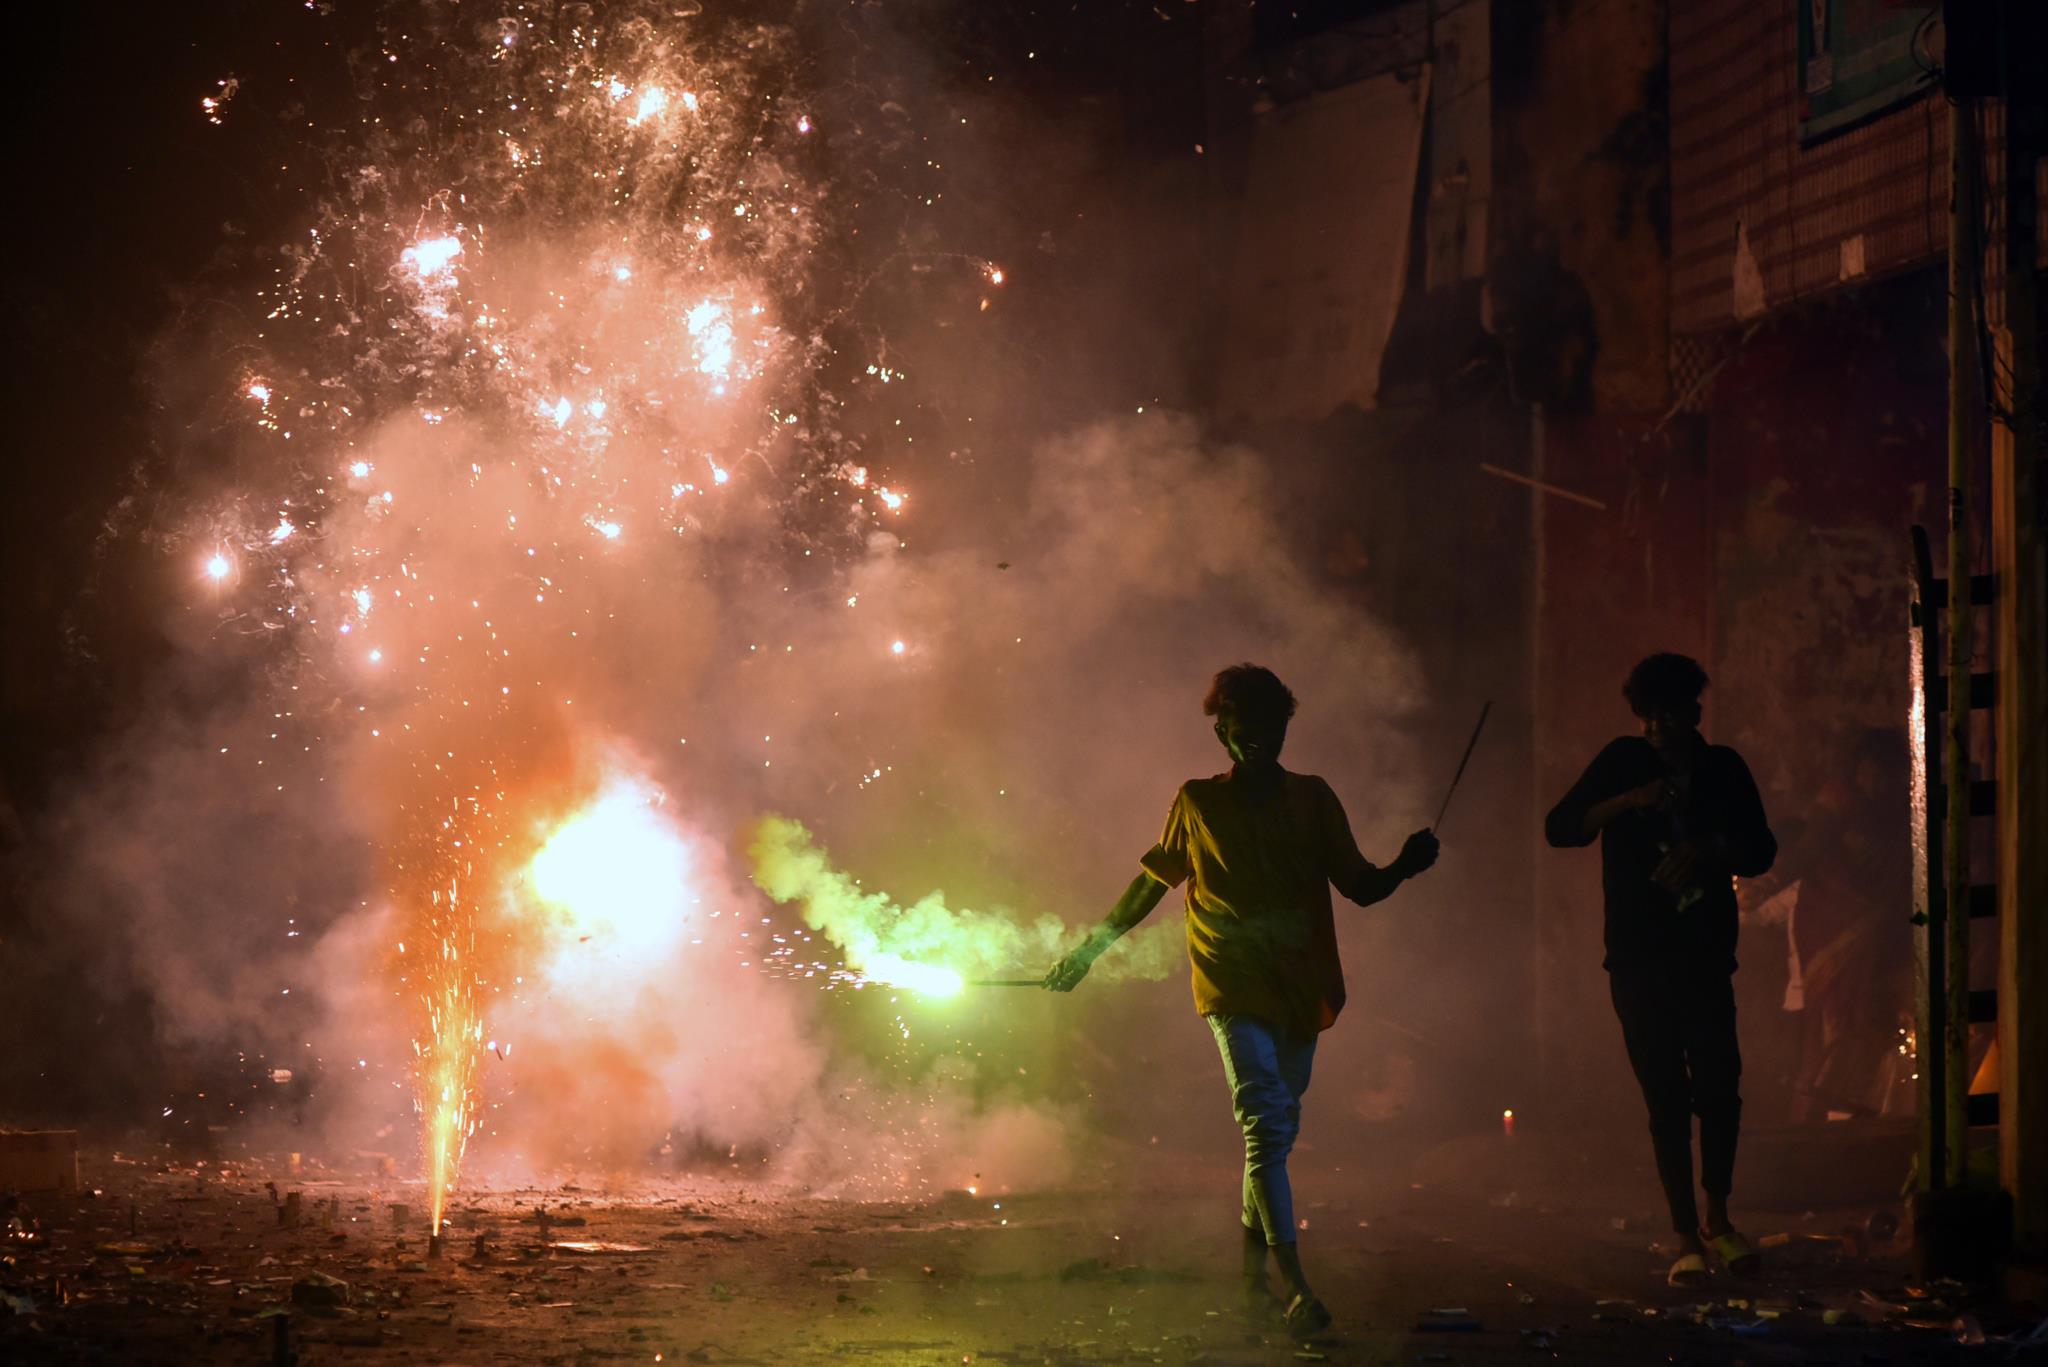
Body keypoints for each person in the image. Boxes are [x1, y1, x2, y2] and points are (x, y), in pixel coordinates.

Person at [1044, 664, 1440, 1336]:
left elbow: (1361, 886)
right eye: (1242, 726)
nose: (1256, 738)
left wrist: (1406, 862)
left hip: (1301, 982)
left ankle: (1252, 1279)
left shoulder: (1314, 798)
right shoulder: (1197, 801)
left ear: (1287, 727)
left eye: (1270, 726)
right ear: (1221, 729)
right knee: (1264, 1122)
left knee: (1276, 1130)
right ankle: (1296, 1286)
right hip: (1228, 980)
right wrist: (1089, 949)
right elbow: (1152, 885)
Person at [1544, 652, 1777, 1286]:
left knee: (1720, 1087)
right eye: (1646, 718)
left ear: (1693, 714)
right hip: (1637, 958)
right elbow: (1560, 828)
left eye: (1666, 717)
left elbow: (1762, 849)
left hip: (1704, 954)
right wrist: (1629, 801)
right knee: (1665, 1096)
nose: (1655, 730)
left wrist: (1708, 852)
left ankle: (1719, 1218)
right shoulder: (1622, 761)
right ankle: (1684, 1235)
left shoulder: (1723, 768)